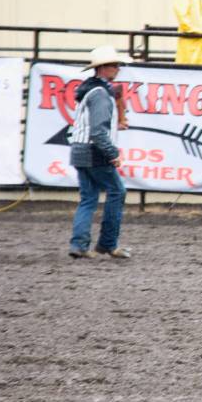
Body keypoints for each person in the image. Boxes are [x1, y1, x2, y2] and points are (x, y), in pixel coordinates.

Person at [68, 46, 132, 259]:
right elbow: (97, 130)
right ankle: (107, 243)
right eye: (114, 65)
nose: (117, 68)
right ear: (102, 68)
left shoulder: (88, 90)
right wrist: (113, 153)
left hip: (79, 148)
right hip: (94, 151)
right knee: (117, 192)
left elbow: (92, 125)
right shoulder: (102, 94)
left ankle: (79, 245)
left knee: (88, 198)